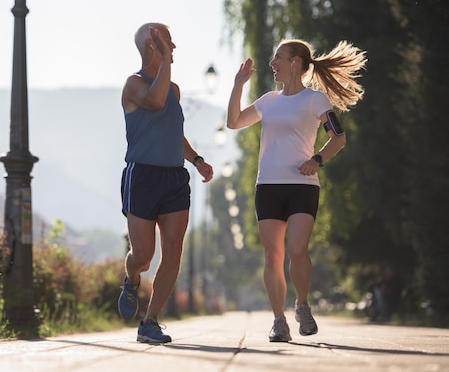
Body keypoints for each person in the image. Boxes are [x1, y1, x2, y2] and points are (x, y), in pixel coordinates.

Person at [226, 39, 366, 342]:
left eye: (278, 57)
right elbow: (234, 122)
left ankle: (302, 305)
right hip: (268, 185)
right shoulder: (268, 100)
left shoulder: (315, 100)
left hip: (302, 185)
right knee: (272, 254)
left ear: (295, 62)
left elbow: (338, 138)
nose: (272, 63)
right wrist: (238, 85)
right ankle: (278, 321)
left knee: (297, 250)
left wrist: (317, 159)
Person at [118, 22, 214, 344]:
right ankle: (131, 279)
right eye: (167, 41)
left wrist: (197, 160)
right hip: (142, 176)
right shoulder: (133, 85)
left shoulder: (174, 89)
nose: (173, 46)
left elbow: (174, 131)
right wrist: (166, 62)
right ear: (151, 45)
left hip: (174, 178)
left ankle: (150, 321)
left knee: (173, 251)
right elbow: (155, 101)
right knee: (143, 256)